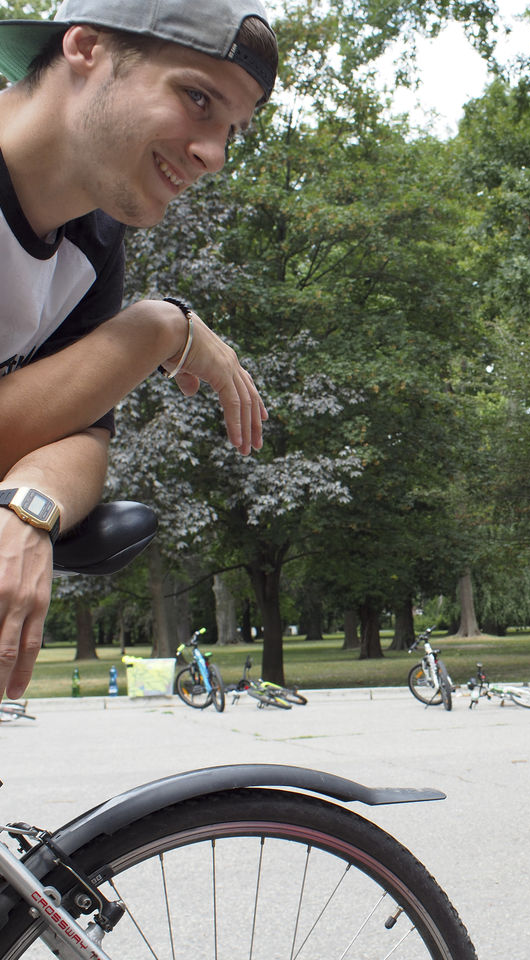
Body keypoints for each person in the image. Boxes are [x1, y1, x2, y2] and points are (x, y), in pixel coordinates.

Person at [0, 0, 278, 700]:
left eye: (231, 130)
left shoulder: (92, 241)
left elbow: (82, 437)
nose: (213, 156)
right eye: (197, 97)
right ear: (86, 48)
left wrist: (28, 507)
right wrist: (153, 331)